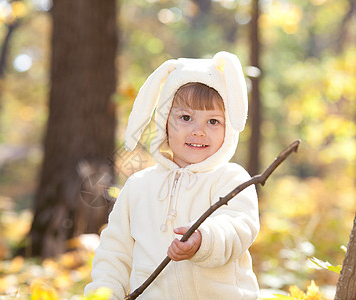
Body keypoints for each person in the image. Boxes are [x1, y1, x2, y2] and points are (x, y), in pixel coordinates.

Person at [84, 51, 260, 299]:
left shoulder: (231, 179)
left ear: (229, 127)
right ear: (165, 122)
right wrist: (105, 293)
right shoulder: (138, 186)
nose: (198, 131)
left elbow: (239, 228)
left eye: (213, 121)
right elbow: (115, 253)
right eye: (186, 118)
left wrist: (204, 240)